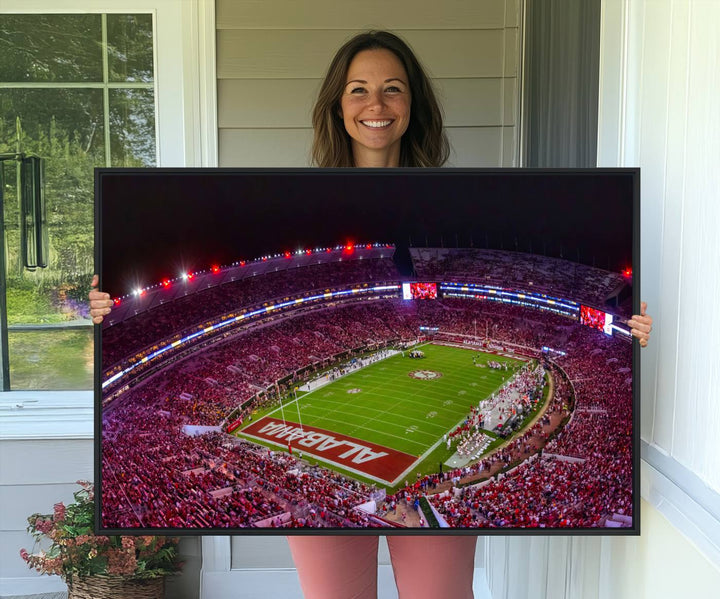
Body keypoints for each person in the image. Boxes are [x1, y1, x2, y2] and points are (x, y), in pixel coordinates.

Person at [90, 30, 653, 599]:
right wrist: (103, 309)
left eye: (393, 89)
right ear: (338, 104)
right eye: (358, 90)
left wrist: (633, 327)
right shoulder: (300, 201)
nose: (376, 105)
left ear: (413, 105)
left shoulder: (455, 196)